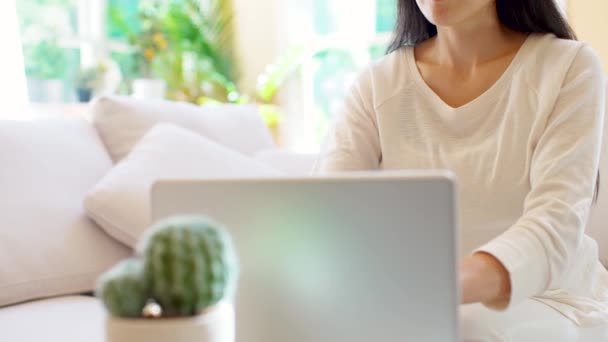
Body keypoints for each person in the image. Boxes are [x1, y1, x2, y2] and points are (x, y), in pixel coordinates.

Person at [314, 0, 608, 340]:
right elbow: (325, 215)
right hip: (419, 306)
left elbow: (555, 226)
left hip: (553, 300)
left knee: (465, 327)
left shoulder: (569, 66)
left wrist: (441, 288)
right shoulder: (378, 83)